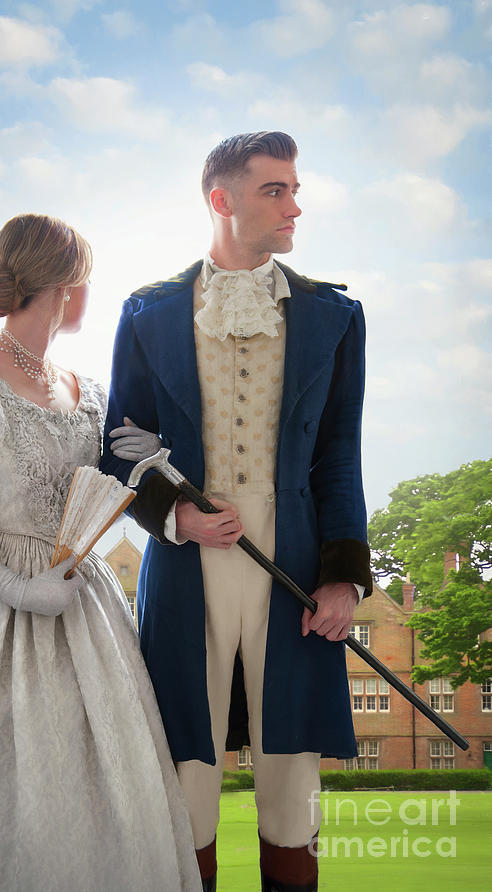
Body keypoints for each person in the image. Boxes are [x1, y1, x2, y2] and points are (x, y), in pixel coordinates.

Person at [0, 214, 201, 892]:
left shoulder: (89, 394)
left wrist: (163, 468)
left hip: (87, 611)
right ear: (67, 286)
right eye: (87, 279)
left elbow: (116, 489)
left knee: (101, 793)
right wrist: (19, 590)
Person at [102, 132, 373, 892]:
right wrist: (175, 517)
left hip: (294, 563)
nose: (295, 205)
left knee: (291, 781)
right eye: (275, 190)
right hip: (185, 564)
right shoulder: (146, 310)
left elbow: (340, 456)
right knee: (185, 772)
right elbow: (117, 446)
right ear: (222, 200)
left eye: (295, 188)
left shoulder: (336, 315)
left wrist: (344, 579)